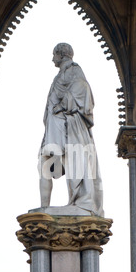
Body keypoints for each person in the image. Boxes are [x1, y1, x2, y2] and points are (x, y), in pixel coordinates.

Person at [38, 43, 104, 217]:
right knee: (44, 162)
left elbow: (82, 89)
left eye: (54, 55)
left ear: (61, 54)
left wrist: (63, 104)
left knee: (76, 160)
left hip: (69, 126)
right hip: (56, 126)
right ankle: (44, 206)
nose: (52, 58)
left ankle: (82, 201)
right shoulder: (61, 74)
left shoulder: (73, 70)